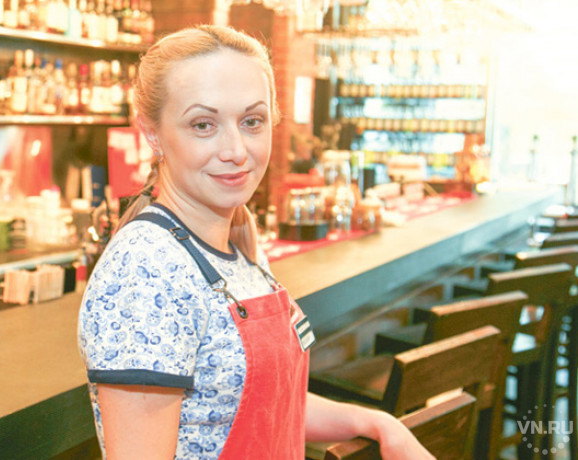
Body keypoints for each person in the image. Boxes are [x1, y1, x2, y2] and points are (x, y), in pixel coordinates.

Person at [77, 24, 435, 460]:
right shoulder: (146, 270)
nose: (236, 150)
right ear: (152, 133)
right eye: (203, 125)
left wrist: (375, 421)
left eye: (252, 122)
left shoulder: (235, 243)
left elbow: (262, 404)